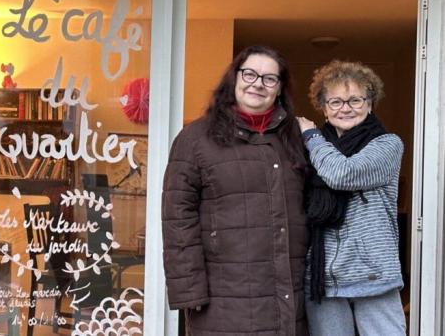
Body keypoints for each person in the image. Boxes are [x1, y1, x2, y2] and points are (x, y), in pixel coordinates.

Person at [162, 45, 309, 336]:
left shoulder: (296, 137)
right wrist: (189, 292)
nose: (258, 83)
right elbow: (177, 217)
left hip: (288, 293)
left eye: (269, 78)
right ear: (235, 78)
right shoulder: (195, 139)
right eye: (250, 74)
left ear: (279, 89)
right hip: (223, 298)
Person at [297, 60, 406, 336]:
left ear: (370, 104)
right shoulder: (310, 150)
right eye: (335, 102)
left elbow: (343, 174)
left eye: (355, 100)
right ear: (323, 108)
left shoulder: (387, 144)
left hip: (372, 273)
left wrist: (309, 135)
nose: (345, 108)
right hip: (323, 276)